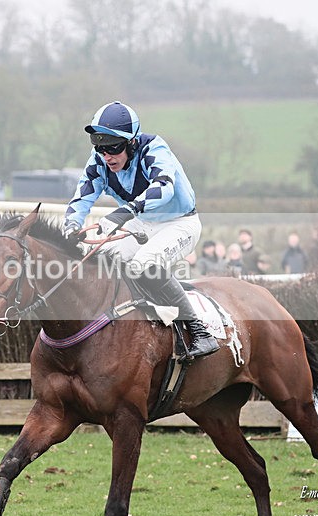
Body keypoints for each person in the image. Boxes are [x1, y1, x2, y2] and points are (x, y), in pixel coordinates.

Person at [62, 101, 218, 359]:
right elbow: (82, 198)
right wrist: (71, 226)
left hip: (179, 222)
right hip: (142, 222)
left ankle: (200, 331)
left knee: (144, 265)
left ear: (132, 142)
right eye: (100, 148)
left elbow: (164, 186)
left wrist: (125, 212)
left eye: (113, 147)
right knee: (104, 262)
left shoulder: (153, 148)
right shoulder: (99, 162)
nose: (106, 156)